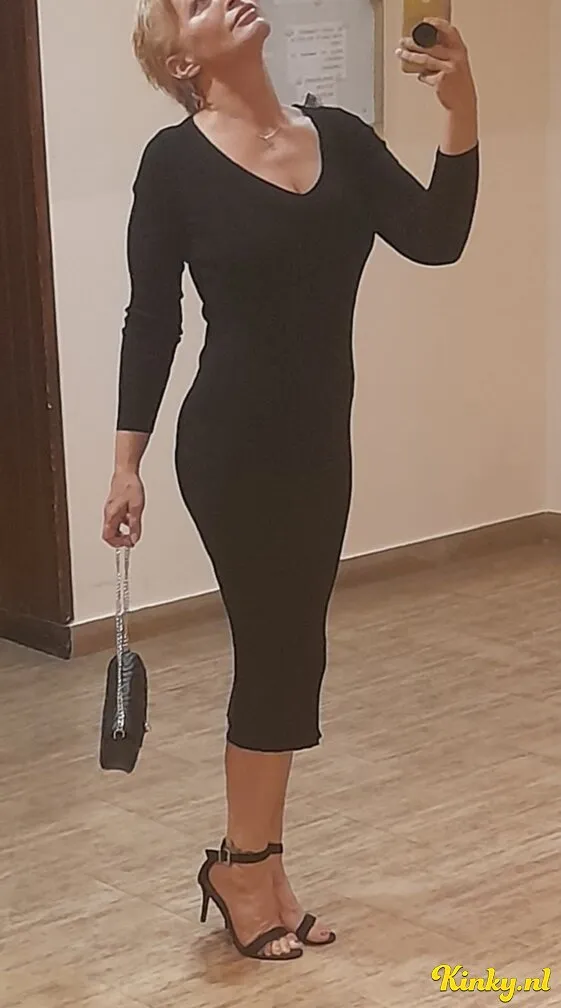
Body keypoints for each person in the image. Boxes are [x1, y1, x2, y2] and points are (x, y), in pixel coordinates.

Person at [102, 0, 479, 963]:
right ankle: (242, 867)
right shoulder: (173, 163)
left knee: (294, 654)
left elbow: (435, 237)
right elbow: (152, 318)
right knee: (274, 651)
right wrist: (125, 463)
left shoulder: (339, 138)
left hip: (318, 443)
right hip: (230, 446)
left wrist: (460, 109)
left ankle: (259, 869)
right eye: (192, 4)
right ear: (181, 62)